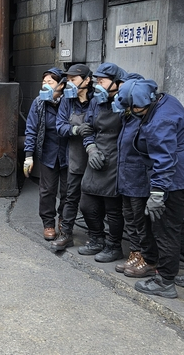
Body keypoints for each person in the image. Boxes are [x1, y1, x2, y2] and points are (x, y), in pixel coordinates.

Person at [113, 78, 184, 299]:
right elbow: (183, 128)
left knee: (164, 229)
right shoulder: (166, 100)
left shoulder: (159, 121)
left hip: (175, 179)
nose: (132, 112)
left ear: (141, 104)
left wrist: (157, 193)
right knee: (176, 224)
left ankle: (165, 281)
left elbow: (164, 160)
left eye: (133, 108)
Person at [77, 63, 127, 263]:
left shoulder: (126, 102)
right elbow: (88, 127)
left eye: (102, 81)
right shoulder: (96, 102)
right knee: (87, 204)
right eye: (96, 81)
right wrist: (90, 148)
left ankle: (114, 246)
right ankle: (96, 238)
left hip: (116, 158)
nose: (98, 85)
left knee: (113, 208)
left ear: (115, 83)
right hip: (96, 155)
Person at [113, 74, 158, 278]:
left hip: (139, 179)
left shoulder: (146, 117)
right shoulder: (128, 117)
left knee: (141, 221)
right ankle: (135, 252)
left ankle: (148, 259)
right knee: (130, 218)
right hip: (125, 177)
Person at [51, 64, 94, 251]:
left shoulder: (97, 100)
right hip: (76, 157)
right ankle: (66, 234)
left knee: (94, 201)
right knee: (70, 197)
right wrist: (75, 129)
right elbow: (59, 126)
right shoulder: (67, 102)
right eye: (67, 80)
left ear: (86, 81)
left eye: (73, 80)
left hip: (96, 158)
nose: (69, 84)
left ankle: (96, 238)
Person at [23, 68, 69, 241]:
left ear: (61, 85)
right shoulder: (38, 103)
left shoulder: (69, 102)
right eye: (44, 83)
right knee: (47, 191)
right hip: (48, 152)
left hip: (68, 153)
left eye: (50, 83)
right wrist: (29, 156)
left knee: (68, 191)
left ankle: (64, 221)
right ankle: (48, 223)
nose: (46, 86)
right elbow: (31, 129)